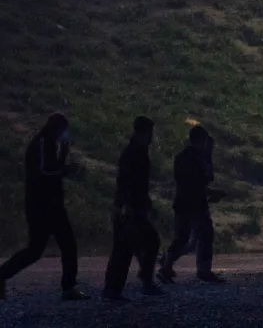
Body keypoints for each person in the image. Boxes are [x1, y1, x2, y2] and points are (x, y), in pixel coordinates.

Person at [0, 113, 89, 301]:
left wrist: (63, 158)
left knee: (47, 248)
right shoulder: (41, 144)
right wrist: (65, 167)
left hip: (48, 204)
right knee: (44, 249)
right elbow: (44, 171)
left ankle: (68, 287)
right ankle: (68, 287)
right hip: (43, 205)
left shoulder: (48, 144)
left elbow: (50, 169)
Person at [102, 116, 165, 301]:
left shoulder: (136, 151)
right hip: (129, 209)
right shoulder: (134, 153)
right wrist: (128, 205)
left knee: (129, 247)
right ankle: (136, 283)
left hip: (131, 207)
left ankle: (117, 288)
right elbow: (127, 182)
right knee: (134, 245)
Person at [157, 125, 226, 284]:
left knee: (182, 238)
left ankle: (166, 265)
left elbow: (187, 182)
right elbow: (203, 180)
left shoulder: (181, 157)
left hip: (182, 202)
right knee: (205, 235)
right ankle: (203, 270)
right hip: (196, 204)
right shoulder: (198, 159)